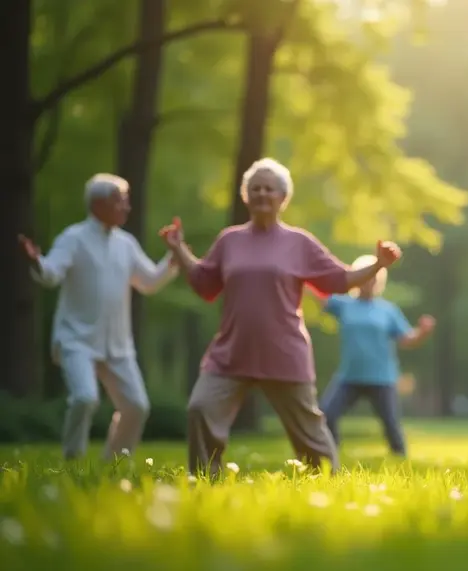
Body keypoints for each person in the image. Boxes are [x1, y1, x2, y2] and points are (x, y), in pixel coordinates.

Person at [159, 157, 402, 478]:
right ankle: (205, 481)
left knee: (312, 439)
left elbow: (339, 279)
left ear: (282, 197)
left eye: (268, 189)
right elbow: (205, 282)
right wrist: (179, 250)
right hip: (231, 352)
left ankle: (329, 484)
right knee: (201, 409)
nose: (261, 194)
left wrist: (377, 266)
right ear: (246, 195)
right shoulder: (230, 240)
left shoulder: (298, 243)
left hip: (283, 354)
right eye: (255, 188)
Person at [18, 173, 177, 461]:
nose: (127, 208)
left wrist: (174, 257)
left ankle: (115, 463)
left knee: (136, 406)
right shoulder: (74, 238)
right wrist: (37, 263)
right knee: (84, 398)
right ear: (99, 204)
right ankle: (73, 462)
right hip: (76, 338)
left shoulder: (126, 243)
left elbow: (149, 282)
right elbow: (52, 273)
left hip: (117, 344)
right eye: (121, 202)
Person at [317, 255, 436, 458]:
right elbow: (318, 294)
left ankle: (400, 458)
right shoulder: (344, 304)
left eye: (373, 279)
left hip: (382, 377)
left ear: (379, 282)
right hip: (349, 376)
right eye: (365, 278)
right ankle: (331, 453)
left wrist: (422, 332)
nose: (368, 282)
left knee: (391, 424)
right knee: (326, 414)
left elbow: (407, 339)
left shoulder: (388, 310)